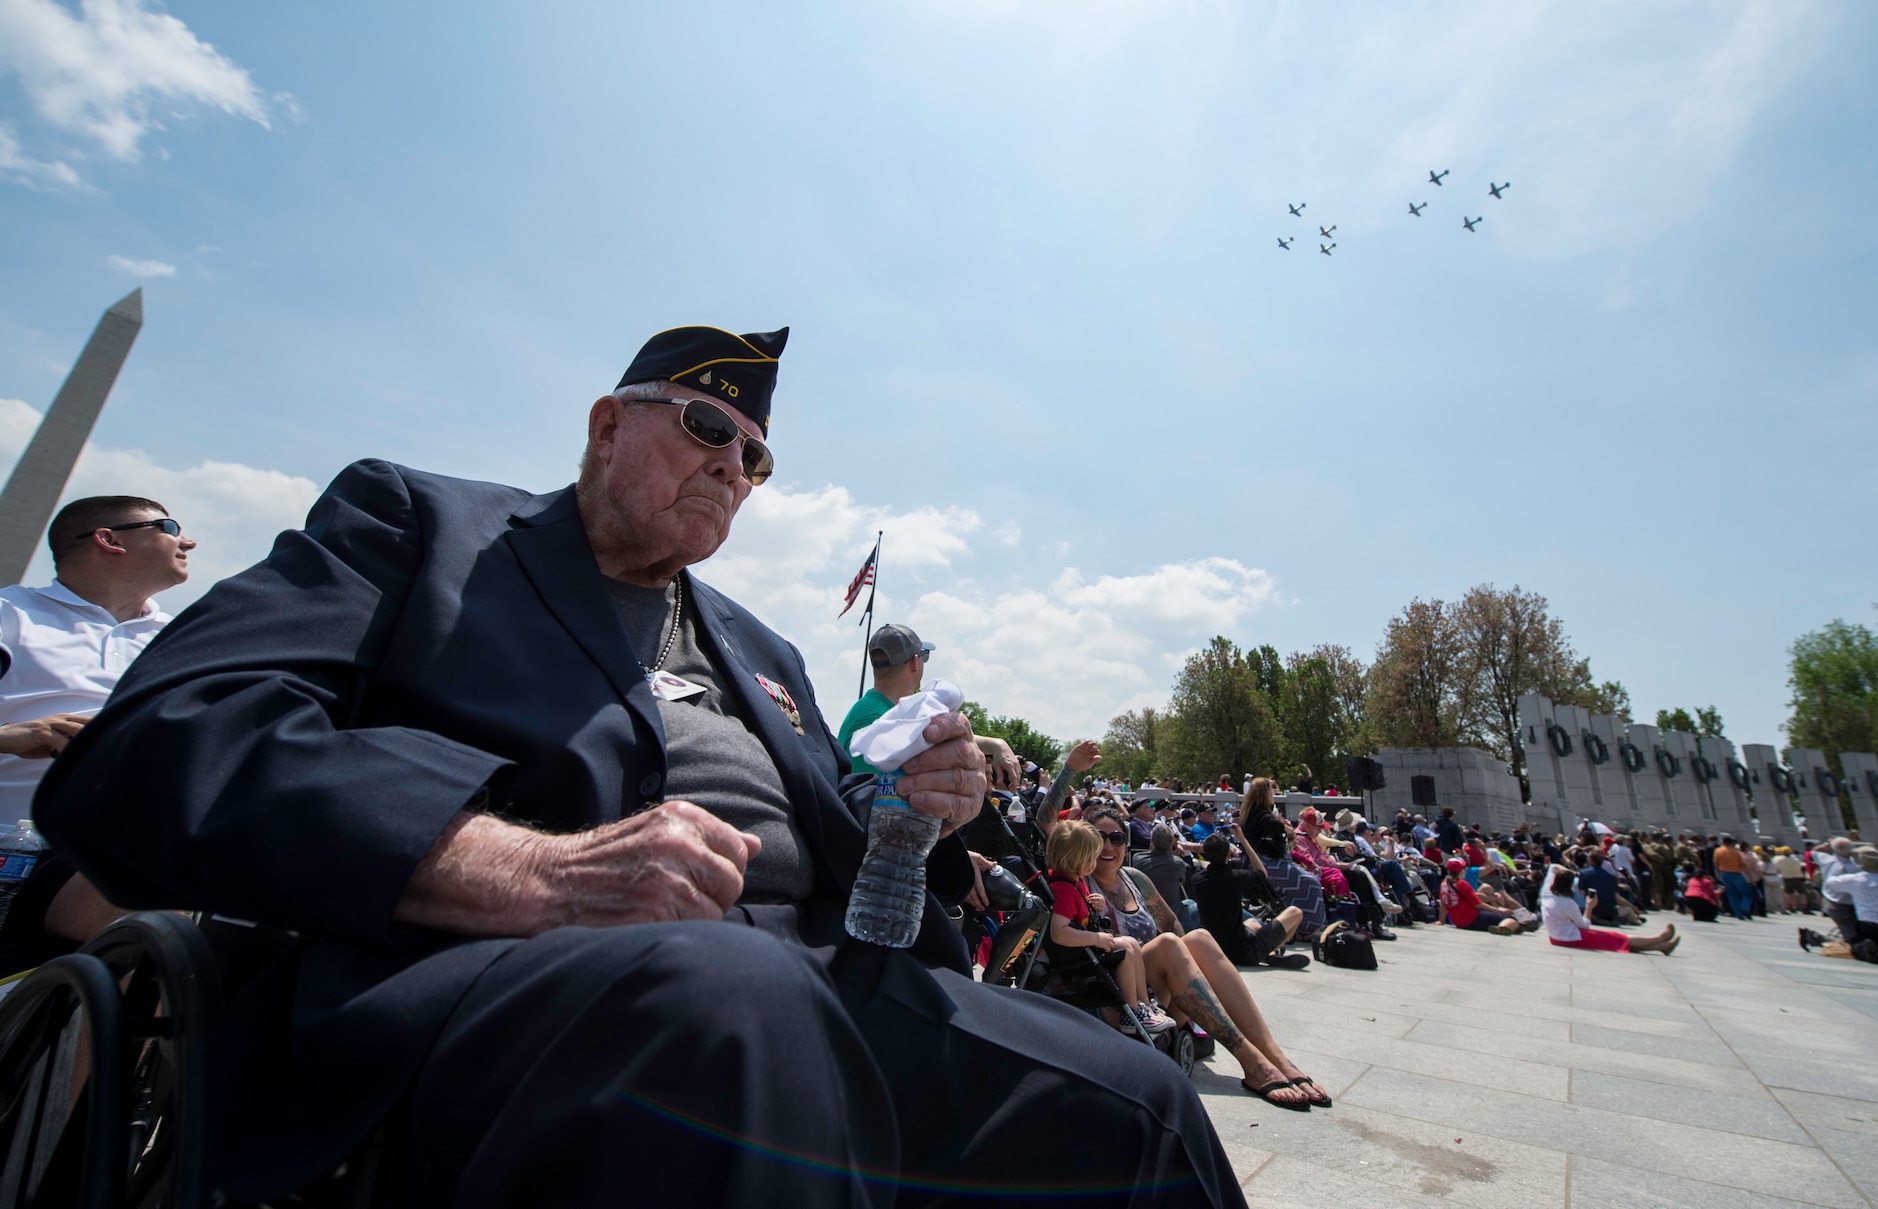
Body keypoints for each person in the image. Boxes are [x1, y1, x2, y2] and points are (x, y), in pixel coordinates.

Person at [37, 324, 1242, 1208]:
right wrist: (508, 866)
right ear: (608, 426)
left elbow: (836, 843)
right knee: (728, 1002)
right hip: (506, 988)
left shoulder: (763, 649)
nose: (733, 465)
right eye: (708, 428)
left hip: (823, 983)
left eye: (757, 459)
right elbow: (157, 743)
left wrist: (915, 814)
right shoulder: (422, 529)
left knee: (1143, 1106)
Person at [0, 494, 199, 971]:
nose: (187, 540)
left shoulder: (185, 642)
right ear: (109, 540)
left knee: (172, 929)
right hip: (13, 844)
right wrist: (17, 735)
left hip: (102, 851)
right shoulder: (11, 615)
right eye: (169, 526)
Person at [1080, 811, 1324, 1112]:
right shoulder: (1079, 882)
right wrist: (1071, 770)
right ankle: (1252, 1062)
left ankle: (1275, 1056)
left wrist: (1190, 972)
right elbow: (1045, 821)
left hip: (1157, 1002)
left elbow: (1173, 926)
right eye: (1098, 838)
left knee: (1199, 938)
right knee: (1169, 944)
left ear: (1126, 843)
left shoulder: (1136, 880)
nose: (1107, 846)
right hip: (1120, 1003)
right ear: (1084, 842)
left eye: (1116, 838)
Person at [1041, 819, 1176, 1036]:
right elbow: (1058, 932)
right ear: (1076, 859)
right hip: (1075, 955)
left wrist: (1097, 905)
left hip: (1083, 947)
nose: (1095, 861)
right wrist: (1096, 939)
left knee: (1131, 943)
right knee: (1124, 947)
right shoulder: (1064, 890)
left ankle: (1144, 1004)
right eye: (1091, 858)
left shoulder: (1076, 880)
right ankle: (1131, 1011)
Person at [1191, 832, 1305, 969]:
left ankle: (1272, 952)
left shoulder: (1197, 880)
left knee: (1252, 922)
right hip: (1243, 952)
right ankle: (1270, 952)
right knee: (1295, 912)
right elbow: (1262, 873)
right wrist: (1244, 840)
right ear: (1228, 853)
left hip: (1217, 950)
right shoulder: (1236, 877)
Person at [834, 622, 934, 775]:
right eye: (924, 655)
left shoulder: (879, 712)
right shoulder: (873, 722)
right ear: (915, 662)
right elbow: (866, 795)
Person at [1238, 778, 1324, 933]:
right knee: (1312, 884)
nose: (1274, 792)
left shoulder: (1255, 811)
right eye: (1271, 789)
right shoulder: (1259, 812)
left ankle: (1299, 924)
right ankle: (1310, 928)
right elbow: (1273, 825)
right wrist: (1287, 828)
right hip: (1263, 863)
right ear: (1264, 792)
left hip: (1269, 860)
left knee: (1310, 879)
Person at [1541, 867, 1679, 955]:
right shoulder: (1567, 903)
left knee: (1616, 943)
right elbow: (1584, 925)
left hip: (1558, 936)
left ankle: (1661, 946)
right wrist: (1590, 906)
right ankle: (1659, 938)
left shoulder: (1547, 894)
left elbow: (1553, 867)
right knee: (1616, 938)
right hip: (1570, 937)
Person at [1135, 816, 1199, 931]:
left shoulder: (1137, 859)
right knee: (1197, 907)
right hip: (1172, 918)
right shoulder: (1178, 864)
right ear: (1171, 843)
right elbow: (1181, 879)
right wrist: (1172, 848)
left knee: (1189, 902)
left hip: (1148, 916)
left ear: (1151, 841)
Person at [1438, 858, 1520, 934]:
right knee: (1510, 919)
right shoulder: (1462, 884)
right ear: (1461, 870)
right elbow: (1478, 904)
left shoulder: (1444, 884)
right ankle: (1502, 927)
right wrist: (1501, 911)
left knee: (1492, 918)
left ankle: (1501, 927)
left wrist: (1441, 921)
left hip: (1458, 922)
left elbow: (1443, 905)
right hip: (1472, 918)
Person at [1712, 836, 1753, 920]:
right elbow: (1743, 865)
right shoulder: (1736, 852)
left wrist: (1718, 873)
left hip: (1724, 873)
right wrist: (1750, 878)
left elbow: (1716, 863)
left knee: (1732, 895)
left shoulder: (1718, 851)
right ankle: (1744, 907)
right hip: (1736, 873)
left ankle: (1738, 914)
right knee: (1746, 893)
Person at [1773, 846, 1807, 914]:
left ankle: (1790, 906)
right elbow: (1800, 866)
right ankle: (1804, 907)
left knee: (1788, 893)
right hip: (1797, 877)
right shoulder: (1795, 859)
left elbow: (1777, 868)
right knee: (1802, 893)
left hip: (1786, 877)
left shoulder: (1779, 860)